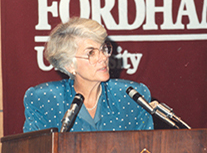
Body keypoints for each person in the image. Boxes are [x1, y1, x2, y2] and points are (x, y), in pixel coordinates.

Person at [23, 17, 154, 133]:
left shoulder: (131, 97)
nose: (103, 57)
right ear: (70, 65)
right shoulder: (45, 101)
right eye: (91, 53)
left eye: (103, 49)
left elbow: (147, 151)